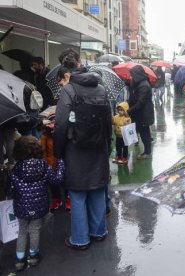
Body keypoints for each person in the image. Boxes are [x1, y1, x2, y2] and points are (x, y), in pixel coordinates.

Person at [53, 49, 112, 250]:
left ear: (68, 73)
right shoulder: (101, 89)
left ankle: (80, 239)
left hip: (75, 149)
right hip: (98, 147)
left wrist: (58, 152)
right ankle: (99, 232)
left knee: (77, 194)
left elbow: (60, 125)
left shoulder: (68, 90)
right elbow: (108, 122)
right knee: (96, 189)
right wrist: (108, 146)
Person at [6, 136, 64, 272]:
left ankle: (19, 260)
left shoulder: (15, 170)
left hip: (21, 207)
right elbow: (56, 180)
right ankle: (33, 256)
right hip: (39, 206)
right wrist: (60, 164)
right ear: (38, 151)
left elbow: (10, 191)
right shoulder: (44, 166)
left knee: (22, 232)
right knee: (35, 229)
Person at [127, 65, 155, 159]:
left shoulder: (144, 86)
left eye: (132, 75)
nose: (131, 77)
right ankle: (147, 151)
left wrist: (129, 111)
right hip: (139, 114)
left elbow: (140, 103)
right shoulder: (138, 84)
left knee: (145, 134)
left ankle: (147, 152)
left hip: (144, 115)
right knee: (143, 133)